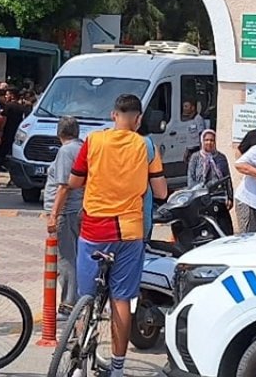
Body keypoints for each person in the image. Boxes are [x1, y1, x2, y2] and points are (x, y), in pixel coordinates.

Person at [68, 94, 169, 377]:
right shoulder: (146, 145)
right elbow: (161, 192)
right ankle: (117, 367)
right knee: (121, 300)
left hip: (94, 228)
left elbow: (75, 181)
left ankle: (79, 361)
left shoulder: (93, 141)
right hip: (129, 231)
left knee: (84, 297)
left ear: (114, 115)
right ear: (137, 119)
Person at [43, 116, 84, 318]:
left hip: (67, 212)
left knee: (66, 258)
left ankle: (69, 304)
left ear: (59, 133)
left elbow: (64, 186)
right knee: (73, 256)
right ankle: (75, 299)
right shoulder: (80, 147)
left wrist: (54, 215)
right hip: (75, 210)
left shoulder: (66, 151)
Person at [187, 128, 233, 235]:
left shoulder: (221, 158)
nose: (209, 143)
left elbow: (227, 178)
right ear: (202, 141)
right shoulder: (195, 157)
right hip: (201, 199)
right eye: (206, 140)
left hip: (218, 197)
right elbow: (191, 179)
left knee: (224, 229)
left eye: (212, 140)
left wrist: (230, 197)